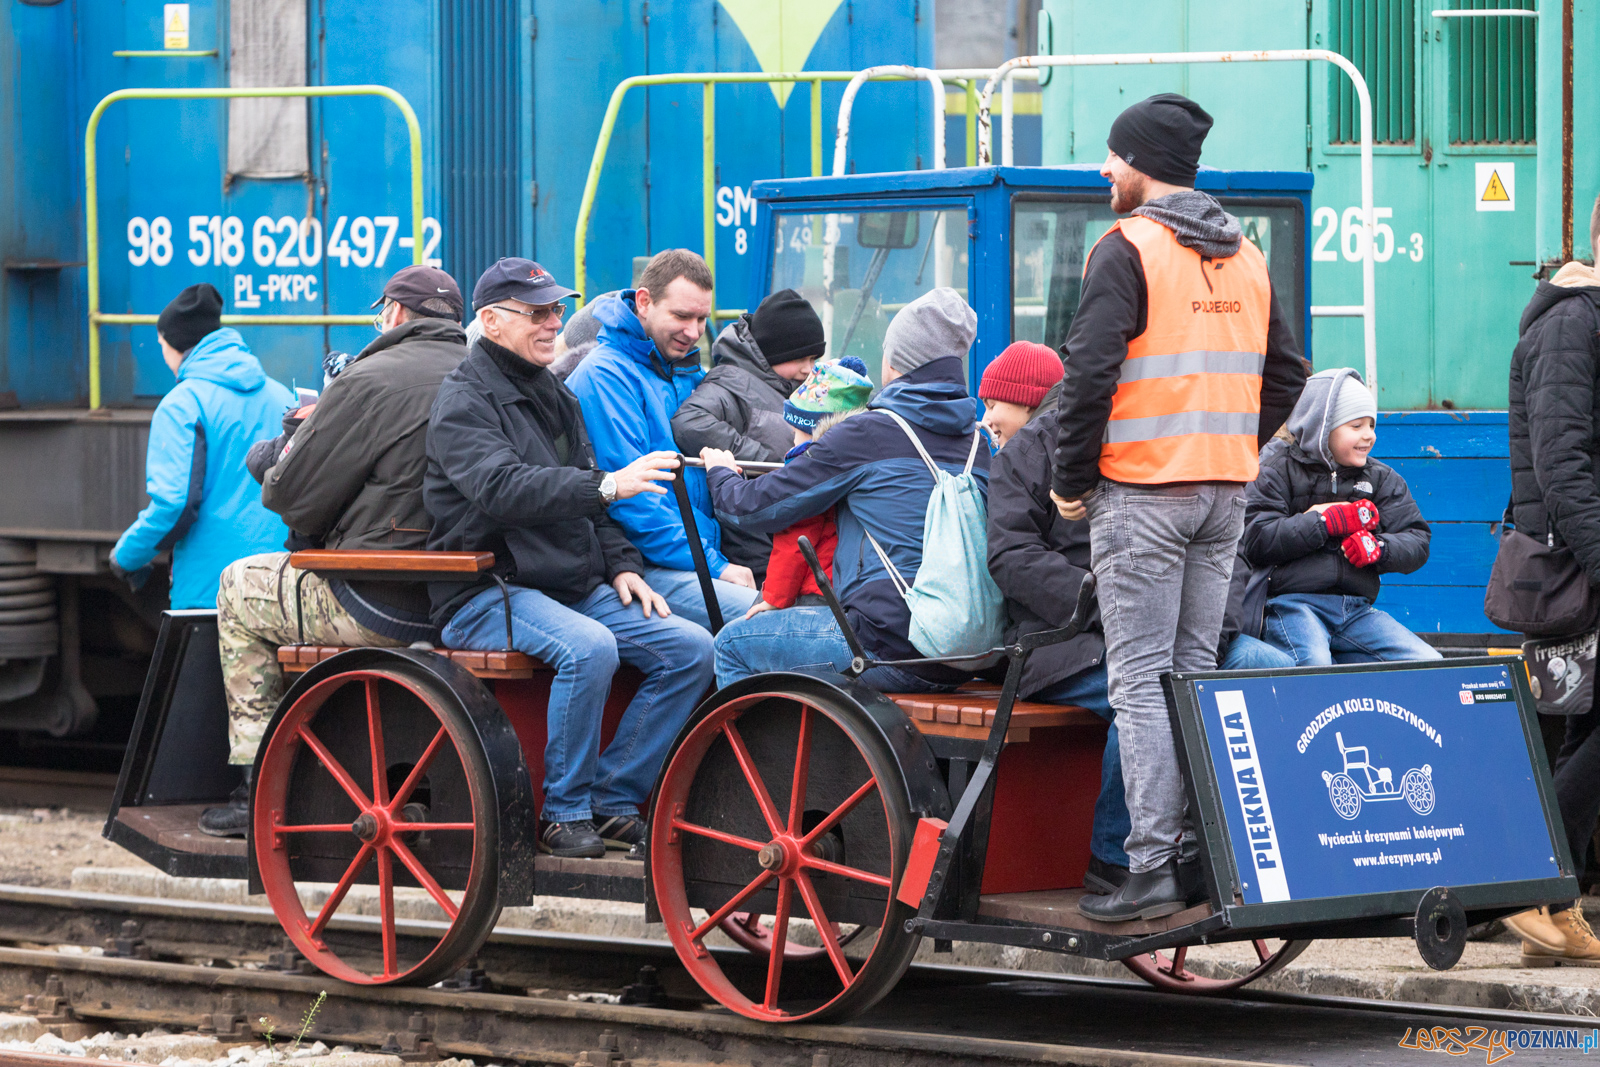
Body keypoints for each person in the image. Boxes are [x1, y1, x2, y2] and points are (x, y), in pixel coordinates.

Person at [1049, 93, 1307, 922]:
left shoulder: (1126, 249)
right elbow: (1290, 377)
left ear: (1143, 164)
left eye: (1114, 156)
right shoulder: (1248, 255)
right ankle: (1199, 858)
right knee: (1194, 675)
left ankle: (1151, 863)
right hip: (1223, 495)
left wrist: (1071, 480)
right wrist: (1232, 446)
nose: (1105, 170)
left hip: (1143, 494)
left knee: (1139, 684)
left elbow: (1086, 378)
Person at [426, 259, 713, 859]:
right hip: (485, 588)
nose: (554, 322)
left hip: (563, 582)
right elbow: (503, 488)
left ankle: (613, 798)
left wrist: (623, 566)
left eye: (556, 309)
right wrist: (608, 486)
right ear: (490, 321)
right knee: (590, 647)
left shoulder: (555, 390)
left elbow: (591, 498)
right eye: (537, 313)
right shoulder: (463, 399)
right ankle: (564, 813)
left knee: (692, 650)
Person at [200, 266, 469, 837]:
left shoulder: (367, 378)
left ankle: (255, 784)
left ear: (394, 314)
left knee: (237, 586)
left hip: (381, 602)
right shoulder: (482, 372)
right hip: (469, 600)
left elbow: (290, 496)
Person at [705, 287, 987, 693]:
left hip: (887, 645)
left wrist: (721, 473)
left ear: (894, 364)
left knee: (732, 643)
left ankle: (763, 757)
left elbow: (753, 508)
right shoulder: (979, 443)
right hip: (964, 654)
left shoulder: (868, 434)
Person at [983, 357, 1132, 894]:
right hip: (1056, 644)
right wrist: (1111, 606)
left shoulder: (1144, 429)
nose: (986, 417)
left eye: (993, 402)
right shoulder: (1027, 453)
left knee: (1245, 670)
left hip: (1124, 632)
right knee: (1140, 694)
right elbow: (1012, 558)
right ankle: (1115, 859)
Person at [1500, 196, 1600, 966]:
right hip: (1577, 564)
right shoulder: (1574, 323)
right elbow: (1562, 466)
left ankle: (1548, 906)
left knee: (1582, 727)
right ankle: (1535, 888)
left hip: (1582, 556)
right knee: (1577, 728)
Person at [566, 250, 760, 630]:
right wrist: (717, 567)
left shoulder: (687, 370)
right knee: (764, 620)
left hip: (696, 552)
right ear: (644, 302)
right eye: (681, 316)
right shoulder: (605, 377)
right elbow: (636, 504)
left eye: (702, 319)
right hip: (643, 562)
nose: (693, 332)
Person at [110, 284, 294, 610]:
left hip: (213, 594)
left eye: (161, 343)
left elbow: (174, 506)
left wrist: (124, 558)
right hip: (285, 587)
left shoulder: (183, 403)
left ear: (176, 345)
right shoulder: (283, 397)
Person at [1243, 368, 1438, 666]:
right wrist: (1322, 523)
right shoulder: (1275, 470)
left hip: (1356, 610)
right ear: (1322, 427)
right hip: (1292, 604)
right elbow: (1256, 538)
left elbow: (1417, 539)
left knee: (1427, 661)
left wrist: (1379, 549)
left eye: (1371, 425)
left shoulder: (1381, 478)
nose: (1368, 436)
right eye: (1356, 425)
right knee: (1315, 666)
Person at [672, 289, 828, 579]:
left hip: (784, 541)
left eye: (815, 358)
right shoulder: (732, 381)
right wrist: (769, 462)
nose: (809, 369)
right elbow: (690, 421)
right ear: (771, 353)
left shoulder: (788, 388)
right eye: (800, 358)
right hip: (755, 551)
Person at [745, 357, 875, 620]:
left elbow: (796, 537)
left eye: (796, 433)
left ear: (814, 432)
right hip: (850, 585)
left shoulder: (810, 469)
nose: (791, 441)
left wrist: (774, 599)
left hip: (817, 590)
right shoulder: (861, 457)